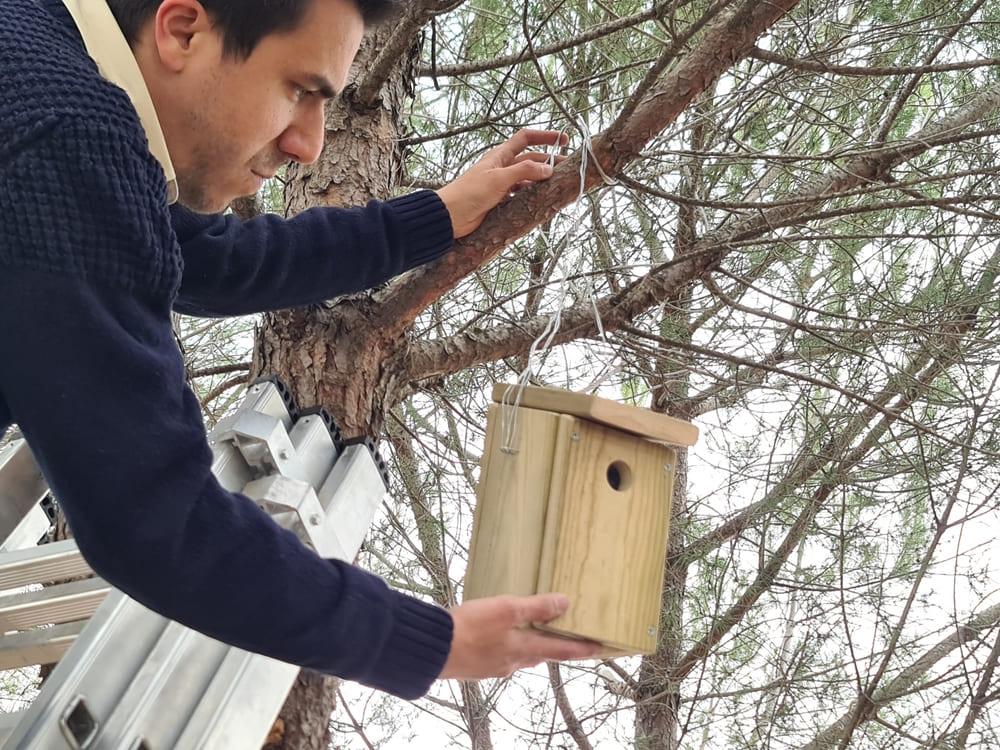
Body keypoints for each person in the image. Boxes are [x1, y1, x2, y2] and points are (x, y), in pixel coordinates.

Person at [0, 0, 601, 701]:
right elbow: (156, 517)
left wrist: (437, 214)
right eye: (300, 91)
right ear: (182, 29)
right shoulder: (67, 139)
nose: (309, 145)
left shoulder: (36, 55)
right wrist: (430, 641)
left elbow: (212, 260)